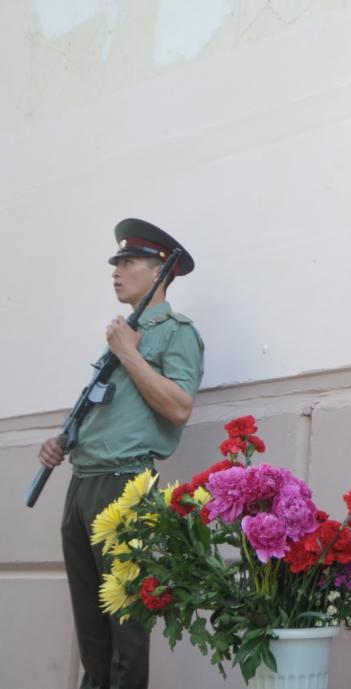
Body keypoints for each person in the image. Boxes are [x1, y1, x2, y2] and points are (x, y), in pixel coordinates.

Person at [37, 219, 204, 689]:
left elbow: (179, 407)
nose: (117, 271)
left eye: (128, 262)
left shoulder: (175, 333)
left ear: (159, 273)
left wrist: (130, 354)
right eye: (117, 262)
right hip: (84, 483)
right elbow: (107, 408)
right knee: (91, 631)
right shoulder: (121, 335)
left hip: (125, 485)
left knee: (126, 630)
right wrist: (63, 442)